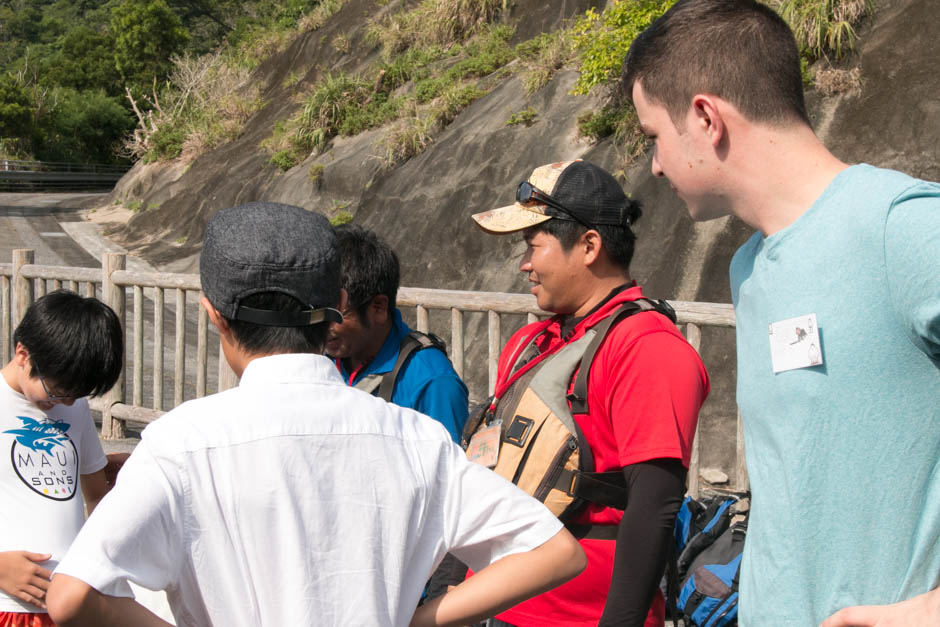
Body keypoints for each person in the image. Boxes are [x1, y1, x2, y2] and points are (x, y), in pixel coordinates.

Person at [45, 201, 586, 627]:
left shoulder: (181, 443)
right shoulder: (414, 438)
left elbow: (73, 596)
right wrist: (415, 621)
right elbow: (555, 553)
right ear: (336, 302)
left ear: (214, 315)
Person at [621, 1, 940, 625]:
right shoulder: (750, 268)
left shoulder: (902, 228)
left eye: (653, 136)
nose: (654, 165)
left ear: (706, 117)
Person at [469, 160, 709, 627]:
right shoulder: (529, 344)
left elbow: (654, 504)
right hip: (495, 602)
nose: (525, 264)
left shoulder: (646, 348)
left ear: (589, 246)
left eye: (532, 246)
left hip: (578, 617)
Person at [1, 290, 124, 625]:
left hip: (71, 599)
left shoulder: (74, 408)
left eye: (77, 395)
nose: (66, 404)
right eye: (56, 392)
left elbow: (96, 494)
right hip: (8, 606)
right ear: (23, 354)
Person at [327, 224, 469, 442]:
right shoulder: (319, 357)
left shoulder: (433, 381)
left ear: (379, 307)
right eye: (316, 309)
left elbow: (446, 472)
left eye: (337, 314)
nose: (323, 324)